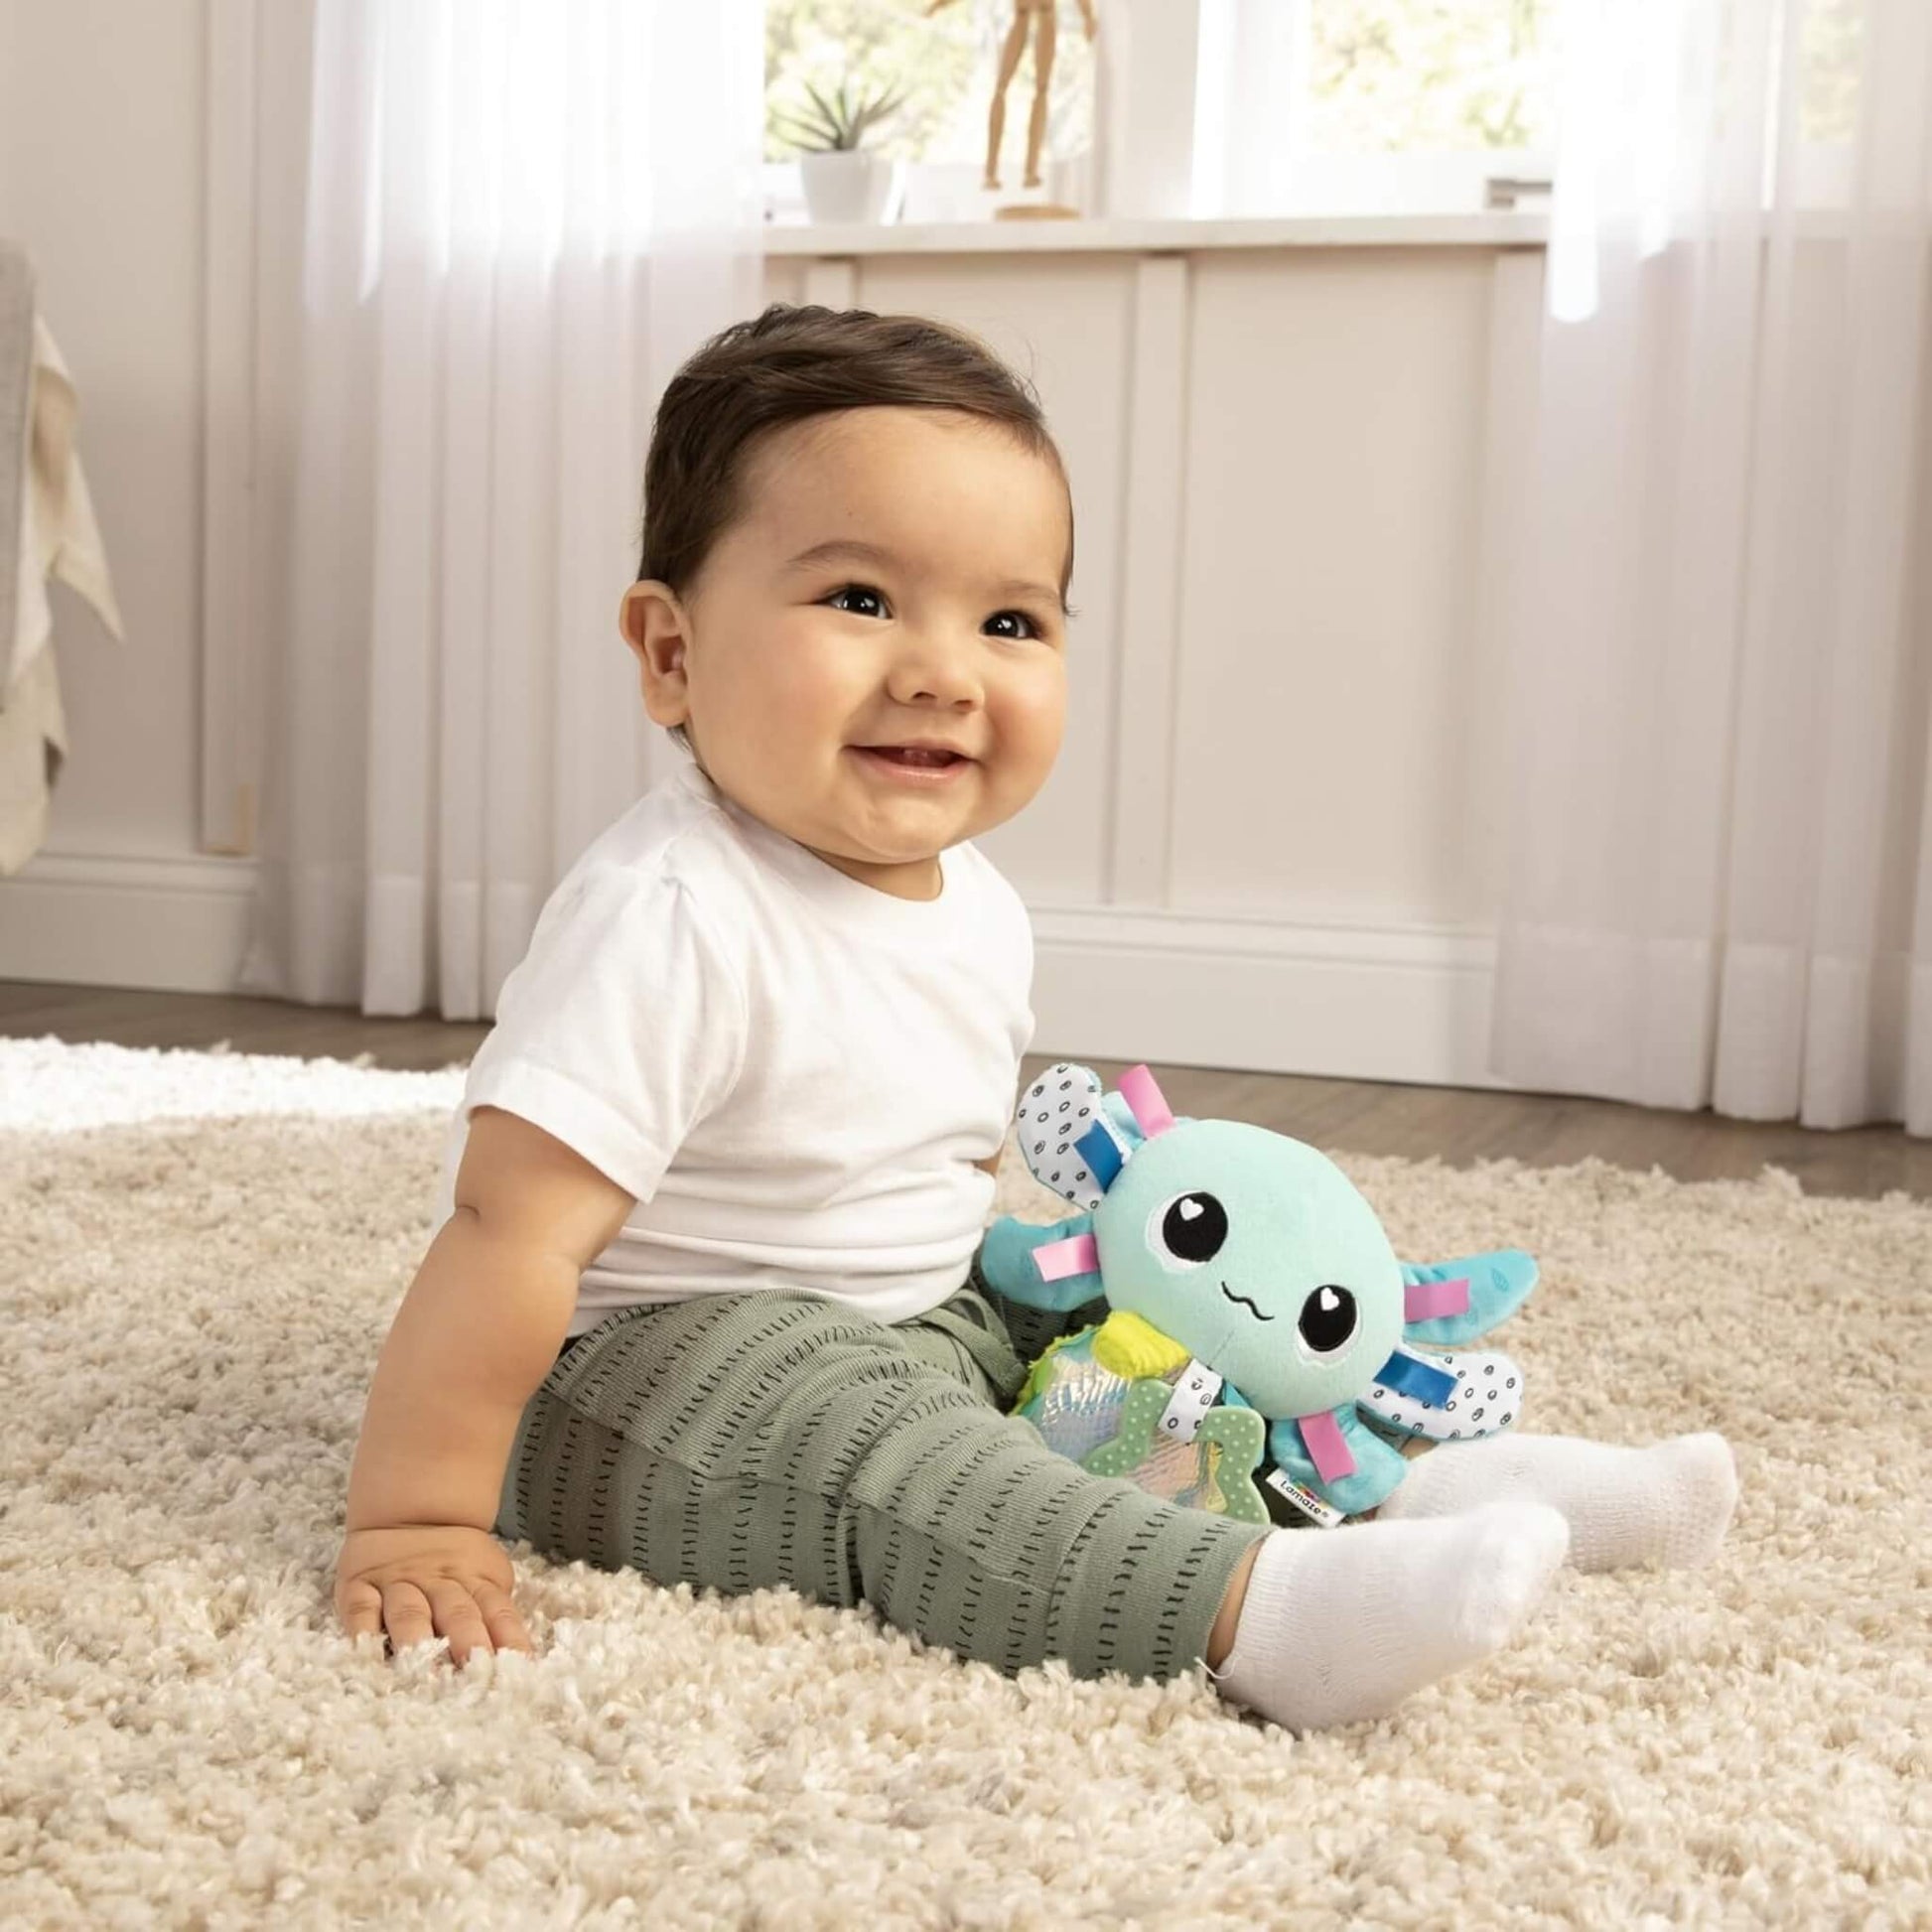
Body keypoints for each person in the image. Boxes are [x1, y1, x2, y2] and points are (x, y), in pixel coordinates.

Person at [333, 302, 1738, 1731]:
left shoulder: (978, 902)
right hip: (647, 1379)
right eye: (860, 599)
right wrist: (418, 1515)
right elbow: (508, 1229)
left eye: (1007, 620)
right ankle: (1254, 1608)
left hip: (903, 1312)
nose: (942, 668)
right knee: (907, 1461)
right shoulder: (675, 913)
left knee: (1130, 1316)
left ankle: (1407, 1478)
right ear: (670, 652)